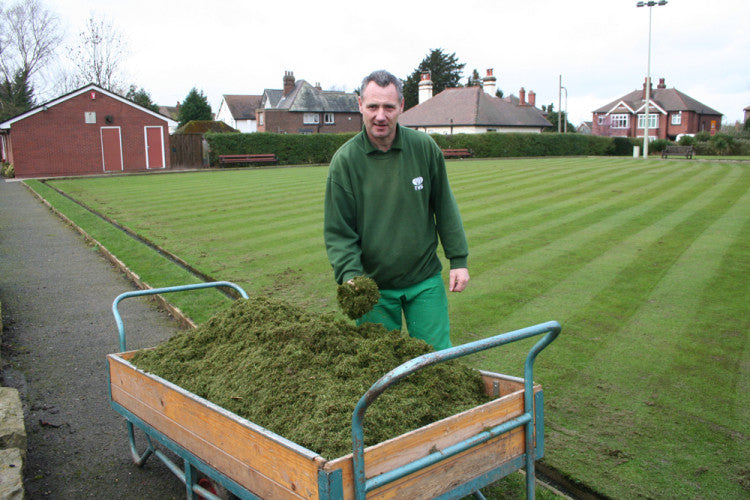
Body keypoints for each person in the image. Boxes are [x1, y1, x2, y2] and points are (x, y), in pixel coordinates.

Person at [323, 69, 469, 351]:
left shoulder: (424, 148)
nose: (381, 115)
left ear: (401, 106)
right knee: (378, 368)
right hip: (372, 288)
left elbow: (445, 206)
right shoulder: (345, 162)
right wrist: (351, 276)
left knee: (436, 361)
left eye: (389, 107)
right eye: (373, 106)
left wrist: (458, 259)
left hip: (424, 280)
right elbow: (339, 231)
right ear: (359, 106)